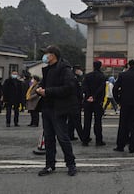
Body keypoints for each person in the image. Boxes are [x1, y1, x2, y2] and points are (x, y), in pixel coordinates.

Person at [36, 45, 77, 176]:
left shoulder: (64, 69)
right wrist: (40, 89)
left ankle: (71, 164)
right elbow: (44, 85)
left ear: (53, 55)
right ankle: (49, 165)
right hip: (47, 108)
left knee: (62, 137)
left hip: (59, 109)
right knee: (48, 138)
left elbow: (69, 88)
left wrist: (47, 92)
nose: (45, 56)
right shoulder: (47, 69)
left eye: (46, 54)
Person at [113, 60, 134, 153]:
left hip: (124, 103)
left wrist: (118, 100)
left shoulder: (122, 75)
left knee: (123, 125)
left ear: (128, 65)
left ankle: (120, 146)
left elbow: (115, 89)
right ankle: (132, 147)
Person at [82, 61, 106, 146]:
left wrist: (89, 96)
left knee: (87, 121)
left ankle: (85, 140)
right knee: (98, 122)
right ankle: (99, 140)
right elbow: (101, 89)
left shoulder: (87, 76)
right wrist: (94, 97)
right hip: (97, 101)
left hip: (88, 101)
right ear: (100, 66)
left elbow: (84, 87)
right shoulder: (102, 76)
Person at [67, 65, 84, 141]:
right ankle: (83, 138)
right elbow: (78, 91)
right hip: (75, 102)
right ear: (76, 70)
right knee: (77, 121)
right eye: (80, 70)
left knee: (71, 121)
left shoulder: (72, 77)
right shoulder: (74, 79)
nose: (81, 71)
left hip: (71, 102)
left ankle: (70, 135)